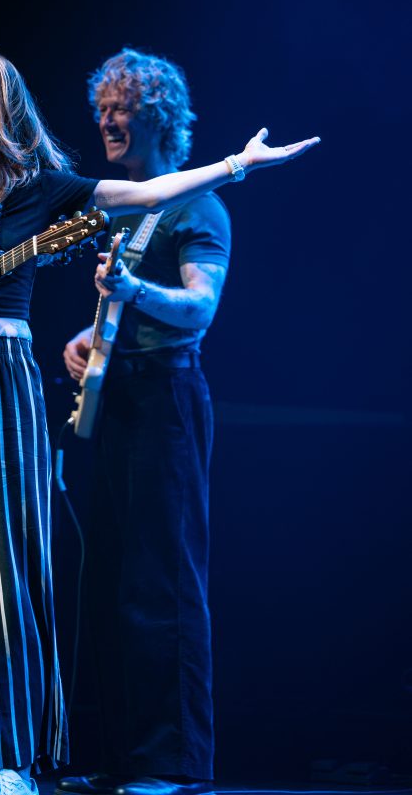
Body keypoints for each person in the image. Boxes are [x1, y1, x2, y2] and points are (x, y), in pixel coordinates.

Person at [0, 43, 319, 795]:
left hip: (0, 377)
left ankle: (5, 763)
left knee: (5, 573)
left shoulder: (35, 188)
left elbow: (149, 194)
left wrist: (236, 165)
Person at [58, 47, 308, 795]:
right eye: (102, 109)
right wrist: (88, 337)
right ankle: (116, 758)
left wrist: (132, 293)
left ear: (159, 118)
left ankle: (171, 763)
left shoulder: (199, 208)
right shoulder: (128, 207)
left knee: (161, 582)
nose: (106, 122)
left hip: (166, 403)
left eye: (121, 110)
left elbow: (198, 310)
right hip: (117, 400)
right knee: (106, 581)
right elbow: (123, 301)